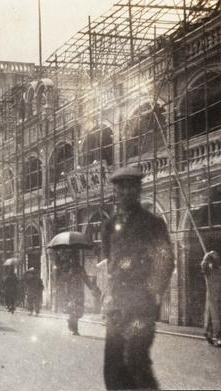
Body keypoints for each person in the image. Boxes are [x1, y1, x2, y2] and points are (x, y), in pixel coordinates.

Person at [101, 166, 175, 390]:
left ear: (138, 190)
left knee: (136, 360)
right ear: (114, 191)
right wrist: (110, 295)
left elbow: (166, 261)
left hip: (141, 303)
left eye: (130, 187)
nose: (124, 193)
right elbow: (109, 261)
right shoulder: (108, 226)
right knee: (112, 368)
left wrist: (153, 293)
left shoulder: (153, 224)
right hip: (117, 305)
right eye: (120, 188)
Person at [56, 249, 101, 335]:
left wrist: (92, 288)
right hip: (70, 293)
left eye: (75, 258)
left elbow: (86, 279)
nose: (74, 260)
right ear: (70, 259)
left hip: (79, 292)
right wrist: (69, 273)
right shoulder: (67, 267)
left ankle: (71, 322)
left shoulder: (80, 268)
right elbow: (63, 279)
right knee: (73, 310)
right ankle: (75, 329)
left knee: (80, 312)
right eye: (72, 258)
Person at [201, 250, 221, 347]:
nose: (217, 257)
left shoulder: (219, 270)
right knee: (215, 316)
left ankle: (207, 333)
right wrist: (207, 256)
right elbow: (203, 265)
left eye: (218, 255)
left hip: (218, 296)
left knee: (211, 316)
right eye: (215, 255)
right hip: (212, 296)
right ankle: (217, 337)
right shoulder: (208, 271)